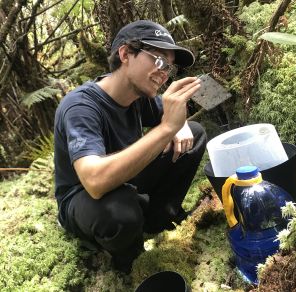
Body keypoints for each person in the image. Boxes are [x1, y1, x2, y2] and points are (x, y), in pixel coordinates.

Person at [54, 19, 207, 273]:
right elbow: (94, 180)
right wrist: (168, 127)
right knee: (119, 212)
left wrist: (178, 123)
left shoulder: (139, 95)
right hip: (86, 197)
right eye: (158, 60)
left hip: (125, 183)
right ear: (125, 54)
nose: (164, 73)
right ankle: (131, 262)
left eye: (169, 67)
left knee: (194, 135)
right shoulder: (81, 107)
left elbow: (169, 115)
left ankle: (159, 220)